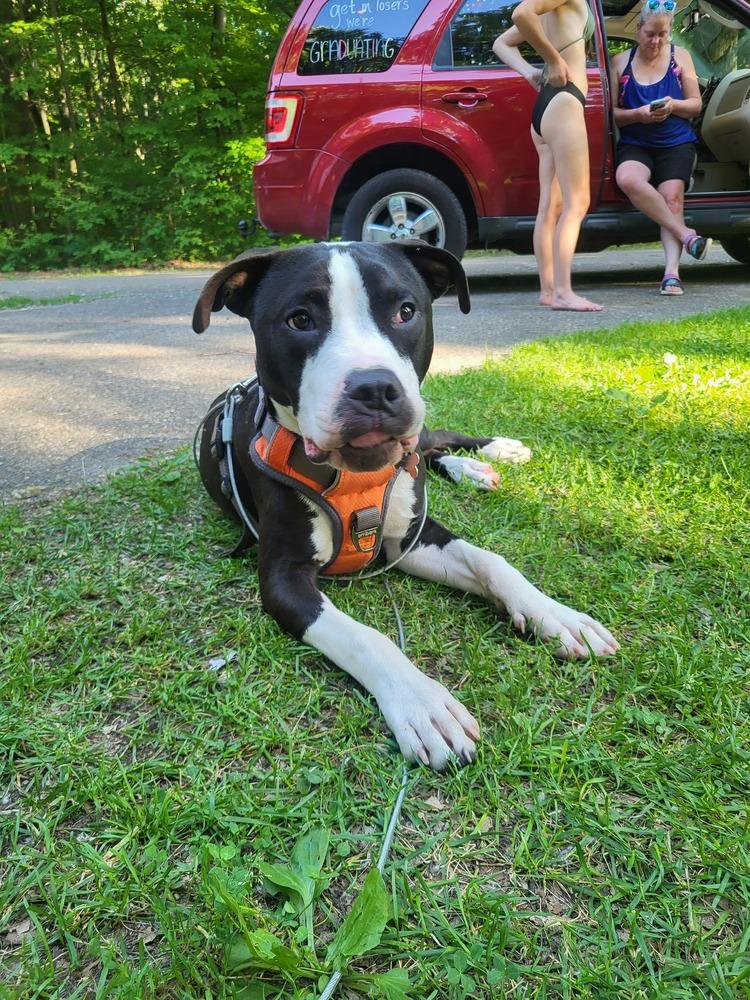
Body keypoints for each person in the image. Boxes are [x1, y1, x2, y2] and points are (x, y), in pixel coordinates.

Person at [494, 0, 602, 312]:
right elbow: (521, 14)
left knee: (550, 206)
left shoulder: (558, 9)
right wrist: (551, 60)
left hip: (547, 105)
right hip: (565, 102)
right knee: (576, 202)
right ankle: (564, 293)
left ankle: (548, 290)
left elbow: (501, 43)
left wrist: (530, 71)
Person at [612, 0, 710, 295]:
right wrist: (638, 115)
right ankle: (686, 235)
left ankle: (671, 274)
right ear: (638, 29)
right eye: (650, 34)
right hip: (637, 141)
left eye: (663, 35)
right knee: (627, 178)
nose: (656, 41)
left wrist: (673, 105)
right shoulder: (620, 62)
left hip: (676, 142)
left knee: (672, 198)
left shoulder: (680, 57)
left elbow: (695, 105)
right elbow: (612, 115)